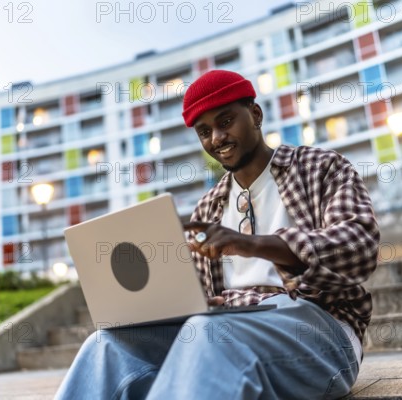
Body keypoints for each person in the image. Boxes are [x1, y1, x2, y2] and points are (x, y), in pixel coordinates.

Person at [54, 70, 380, 399]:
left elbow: (360, 246)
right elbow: (196, 295)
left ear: (255, 115)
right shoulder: (208, 208)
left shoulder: (319, 167)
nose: (217, 138)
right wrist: (187, 305)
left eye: (226, 121)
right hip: (225, 327)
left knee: (206, 332)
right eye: (205, 132)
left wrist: (252, 244)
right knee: (107, 346)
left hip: (317, 327)